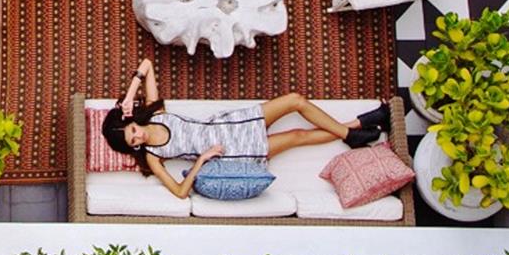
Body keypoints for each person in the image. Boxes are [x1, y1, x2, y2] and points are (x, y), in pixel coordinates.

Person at [100, 59, 392, 199]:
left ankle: (352, 133)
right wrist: (201, 161)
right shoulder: (153, 156)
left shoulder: (155, 113)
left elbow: (148, 65)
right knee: (297, 137)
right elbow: (179, 192)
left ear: (132, 121)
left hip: (235, 122)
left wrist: (129, 94)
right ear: (135, 147)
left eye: (133, 129)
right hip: (234, 151)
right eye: (134, 140)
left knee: (295, 100)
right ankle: (359, 125)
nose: (138, 135)